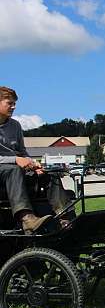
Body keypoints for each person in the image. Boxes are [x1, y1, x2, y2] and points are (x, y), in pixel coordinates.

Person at [0, 86, 70, 234]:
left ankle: (64, 217)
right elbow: (16, 159)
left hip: (15, 170)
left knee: (49, 174)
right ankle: (27, 219)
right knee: (14, 170)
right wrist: (15, 160)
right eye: (9, 103)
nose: (13, 106)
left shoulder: (15, 125)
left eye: (14, 103)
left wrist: (32, 164)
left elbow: (22, 151)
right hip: (7, 171)